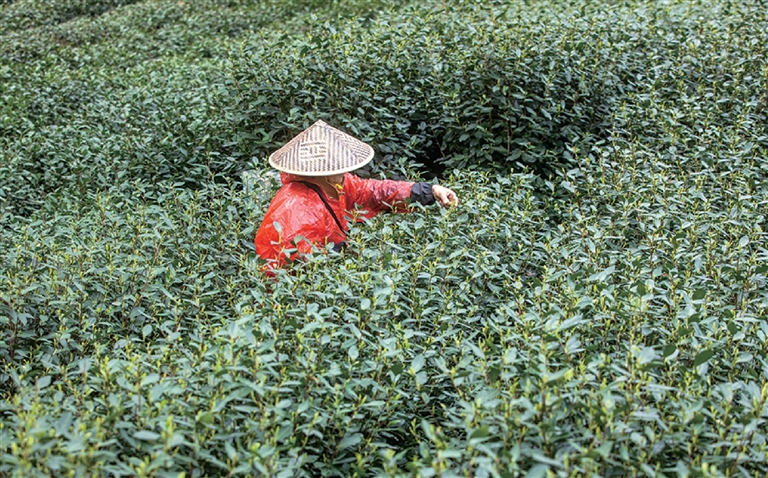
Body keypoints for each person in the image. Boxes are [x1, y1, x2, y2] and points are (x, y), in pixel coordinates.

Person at [254, 119, 458, 270]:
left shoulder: (335, 184)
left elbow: (372, 192)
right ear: (322, 171)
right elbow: (297, 261)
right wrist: (343, 251)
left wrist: (428, 191)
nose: (345, 171)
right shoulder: (296, 205)